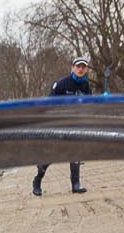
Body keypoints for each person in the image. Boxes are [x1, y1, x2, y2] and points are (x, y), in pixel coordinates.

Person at [32, 57, 95, 196]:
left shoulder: (87, 87)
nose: (80, 69)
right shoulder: (61, 84)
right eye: (78, 66)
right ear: (72, 68)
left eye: (83, 67)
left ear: (86, 70)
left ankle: (76, 184)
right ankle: (38, 179)